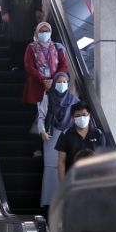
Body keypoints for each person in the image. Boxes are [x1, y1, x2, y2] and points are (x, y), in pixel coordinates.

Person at [37, 72, 78, 208]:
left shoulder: (74, 100)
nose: (62, 84)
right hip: (51, 136)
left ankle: (65, 199)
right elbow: (41, 117)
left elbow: (78, 119)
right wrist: (42, 131)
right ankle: (49, 200)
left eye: (64, 82)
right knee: (51, 166)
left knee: (66, 166)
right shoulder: (48, 98)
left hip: (67, 137)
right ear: (54, 83)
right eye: (59, 82)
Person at [0, 0, 43, 72]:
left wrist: (38, 9)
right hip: (13, 17)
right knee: (14, 41)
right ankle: (14, 64)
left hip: (29, 17)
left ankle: (26, 65)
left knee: (27, 41)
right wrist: (5, 12)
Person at [56, 102, 105, 181]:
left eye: (84, 115)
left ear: (89, 115)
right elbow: (61, 162)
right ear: (72, 117)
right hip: (73, 179)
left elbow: (102, 159)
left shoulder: (98, 133)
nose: (82, 118)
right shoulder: (66, 134)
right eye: (78, 116)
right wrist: (62, 183)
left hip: (94, 178)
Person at [23, 21, 68, 105]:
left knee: (54, 107)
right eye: (41, 31)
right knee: (40, 109)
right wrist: (43, 80)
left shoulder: (57, 46)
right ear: (37, 32)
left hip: (55, 83)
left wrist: (54, 79)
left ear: (50, 32)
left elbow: (64, 65)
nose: (44, 33)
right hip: (37, 83)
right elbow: (29, 66)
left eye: (47, 31)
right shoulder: (31, 47)